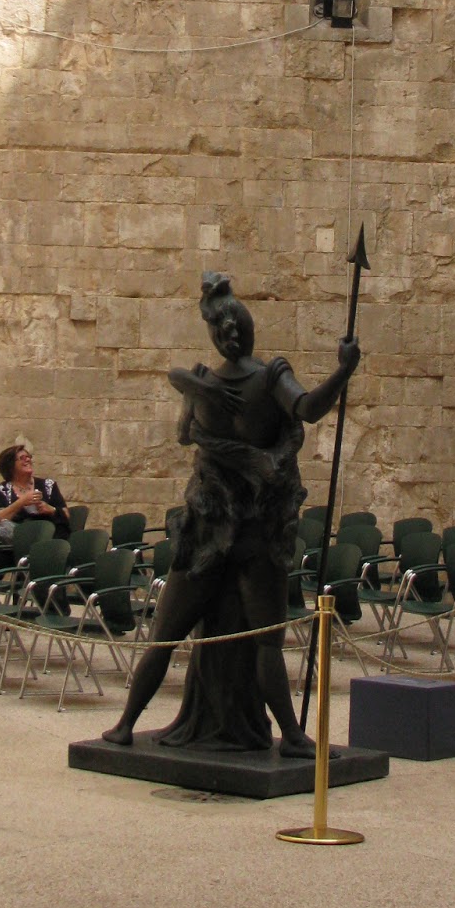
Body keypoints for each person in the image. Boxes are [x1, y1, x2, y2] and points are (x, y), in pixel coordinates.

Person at [102, 272, 360, 757]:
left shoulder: (227, 379)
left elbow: (196, 429)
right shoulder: (247, 378)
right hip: (228, 525)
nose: (231, 336)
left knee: (195, 637)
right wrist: (343, 371)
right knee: (240, 639)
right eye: (229, 329)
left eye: (229, 328)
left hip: (227, 525)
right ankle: (288, 735)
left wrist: (194, 388)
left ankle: (130, 725)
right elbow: (305, 409)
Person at [0, 443, 71, 553]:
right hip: (15, 543)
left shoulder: (48, 485)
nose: (28, 460)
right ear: (10, 465)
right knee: (2, 528)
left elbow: (66, 515)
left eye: (28, 457)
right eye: (22, 458)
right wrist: (21, 502)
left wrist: (51, 509)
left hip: (49, 537)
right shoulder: (0, 490)